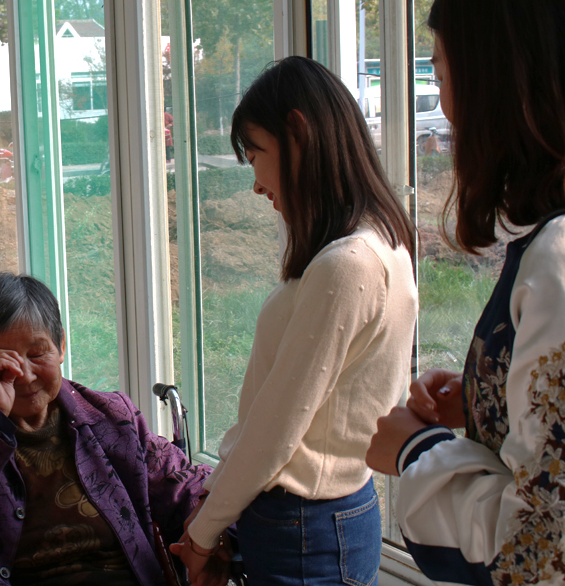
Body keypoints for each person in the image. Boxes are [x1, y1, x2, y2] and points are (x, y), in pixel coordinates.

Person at [367, 0, 565, 584]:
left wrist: (417, 449)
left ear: (498, 80)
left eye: (442, 73)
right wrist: (488, 397)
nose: (445, 106)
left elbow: (547, 551)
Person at [173, 56, 418, 585]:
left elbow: (275, 429)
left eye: (255, 154)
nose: (257, 184)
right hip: (322, 520)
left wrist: (202, 533)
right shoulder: (380, 243)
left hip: (305, 527)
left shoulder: (346, 266)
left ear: (298, 134)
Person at [0, 272, 225, 586]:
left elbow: (185, 483)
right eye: (5, 362)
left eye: (37, 354)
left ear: (61, 345)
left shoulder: (110, 418)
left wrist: (216, 532)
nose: (25, 375)